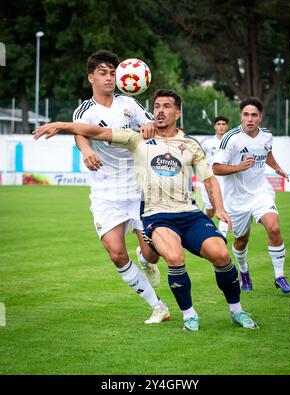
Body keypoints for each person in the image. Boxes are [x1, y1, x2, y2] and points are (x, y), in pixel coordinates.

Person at [34, 89, 259, 332]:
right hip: (157, 216)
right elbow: (96, 131)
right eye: (157, 106)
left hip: (190, 213)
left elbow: (209, 179)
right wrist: (61, 125)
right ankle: (189, 315)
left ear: (178, 112)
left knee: (222, 255)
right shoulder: (136, 138)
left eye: (166, 106)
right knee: (174, 258)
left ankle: (237, 311)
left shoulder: (191, 144)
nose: (160, 111)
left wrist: (221, 209)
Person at [71, 49, 169, 324]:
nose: (109, 78)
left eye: (113, 73)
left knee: (152, 253)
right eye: (103, 73)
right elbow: (80, 133)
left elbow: (151, 122)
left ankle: (145, 257)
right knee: (116, 254)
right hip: (105, 192)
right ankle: (158, 307)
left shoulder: (129, 103)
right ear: (91, 77)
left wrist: (149, 127)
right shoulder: (85, 110)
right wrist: (86, 151)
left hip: (137, 188)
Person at [212, 96, 290, 293]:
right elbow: (216, 168)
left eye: (254, 115)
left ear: (260, 118)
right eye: (245, 114)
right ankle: (244, 272)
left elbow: (267, 154)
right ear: (241, 116)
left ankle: (280, 276)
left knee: (273, 228)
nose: (249, 119)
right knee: (241, 241)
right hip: (236, 199)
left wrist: (277, 168)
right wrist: (239, 167)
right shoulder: (230, 138)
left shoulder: (266, 136)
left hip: (260, 193)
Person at [199, 116, 229, 237]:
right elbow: (199, 159)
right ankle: (203, 228)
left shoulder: (231, 141)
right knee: (210, 212)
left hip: (226, 180)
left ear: (227, 126)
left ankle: (222, 236)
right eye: (219, 124)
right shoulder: (207, 143)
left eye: (223, 124)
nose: (221, 126)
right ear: (215, 126)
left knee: (224, 208)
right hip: (210, 180)